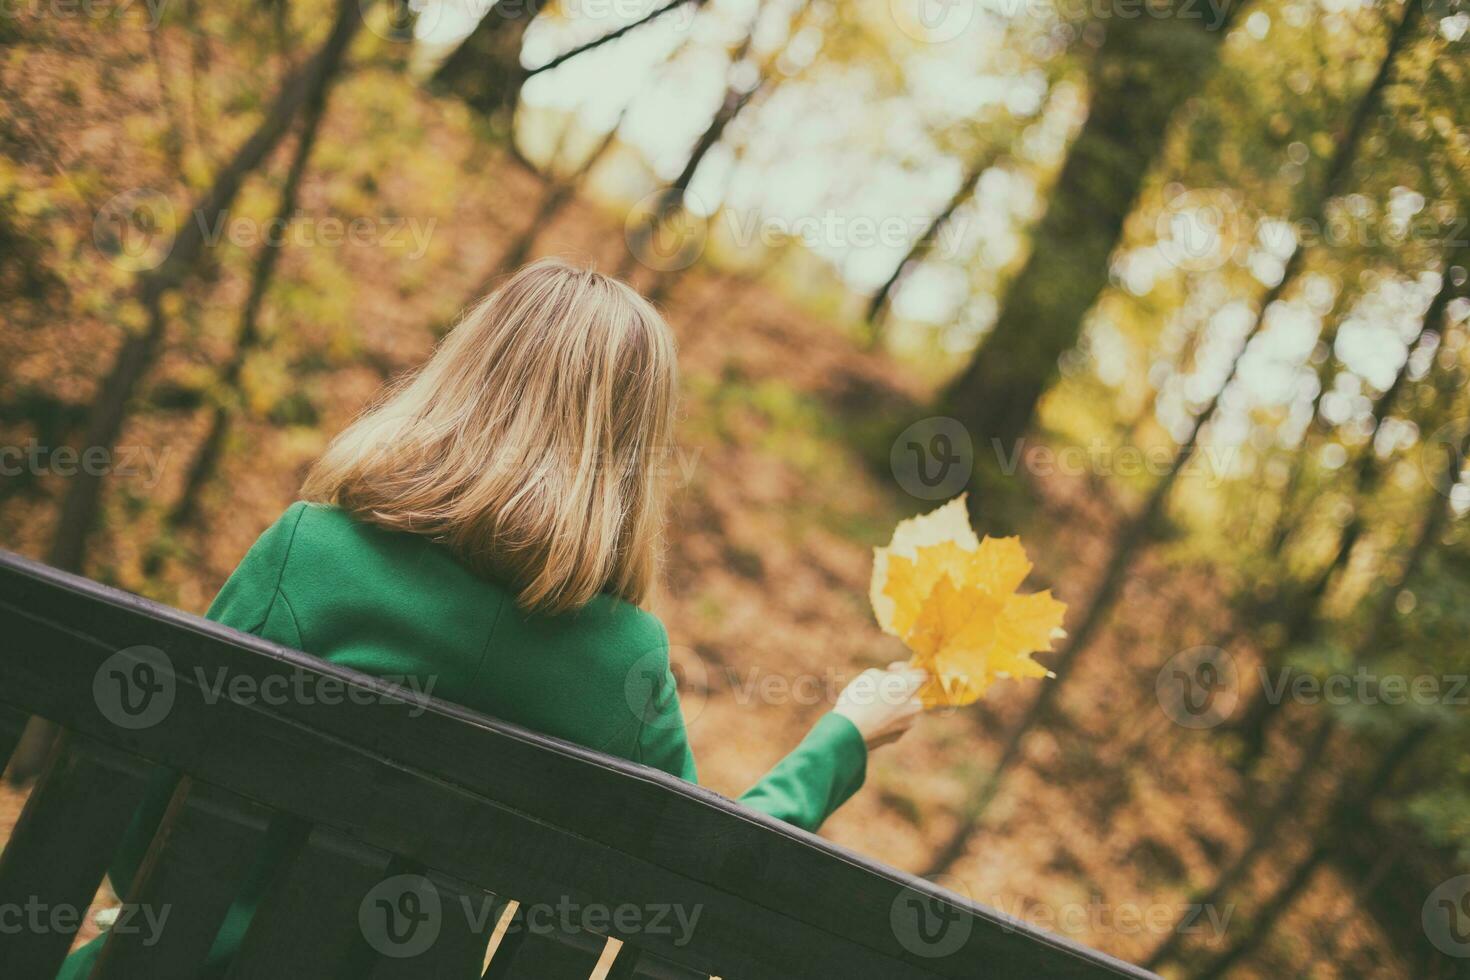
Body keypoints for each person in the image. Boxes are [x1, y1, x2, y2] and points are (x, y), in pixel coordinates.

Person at [62, 258, 924, 976]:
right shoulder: (622, 669)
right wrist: (841, 739)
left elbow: (139, 812)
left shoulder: (309, 554)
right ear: (628, 457)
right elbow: (701, 874)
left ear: (464, 374)